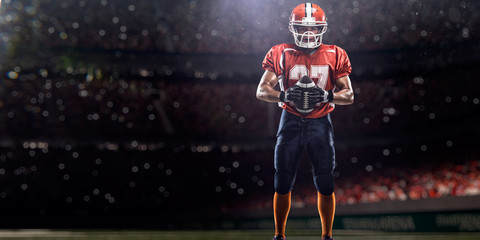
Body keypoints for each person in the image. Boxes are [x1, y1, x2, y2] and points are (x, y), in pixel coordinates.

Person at [256, 3, 354, 240]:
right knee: (283, 179)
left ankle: (327, 236)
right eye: (302, 28)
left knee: (325, 180)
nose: (308, 34)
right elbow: (261, 90)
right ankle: (279, 235)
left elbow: (349, 95)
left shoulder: (336, 53)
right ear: (293, 28)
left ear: (323, 28)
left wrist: (327, 95)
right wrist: (283, 95)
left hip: (320, 121)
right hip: (290, 119)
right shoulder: (280, 52)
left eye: (313, 28)